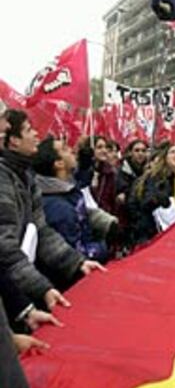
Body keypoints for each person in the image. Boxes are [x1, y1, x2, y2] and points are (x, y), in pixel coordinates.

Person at [0, 110, 105, 310]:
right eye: (29, 130)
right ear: (13, 140)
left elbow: (42, 230)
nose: (37, 135)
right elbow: (5, 248)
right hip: (10, 296)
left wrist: (76, 263)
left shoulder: (27, 178)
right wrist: (42, 289)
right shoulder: (4, 179)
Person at [33, 136, 109, 263]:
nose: (72, 150)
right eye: (65, 149)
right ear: (59, 163)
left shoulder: (69, 190)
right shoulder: (58, 208)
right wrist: (104, 247)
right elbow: (76, 253)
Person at [130, 144, 175, 243]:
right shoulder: (155, 179)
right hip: (152, 234)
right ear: (164, 158)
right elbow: (145, 203)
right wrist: (161, 200)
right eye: (172, 152)